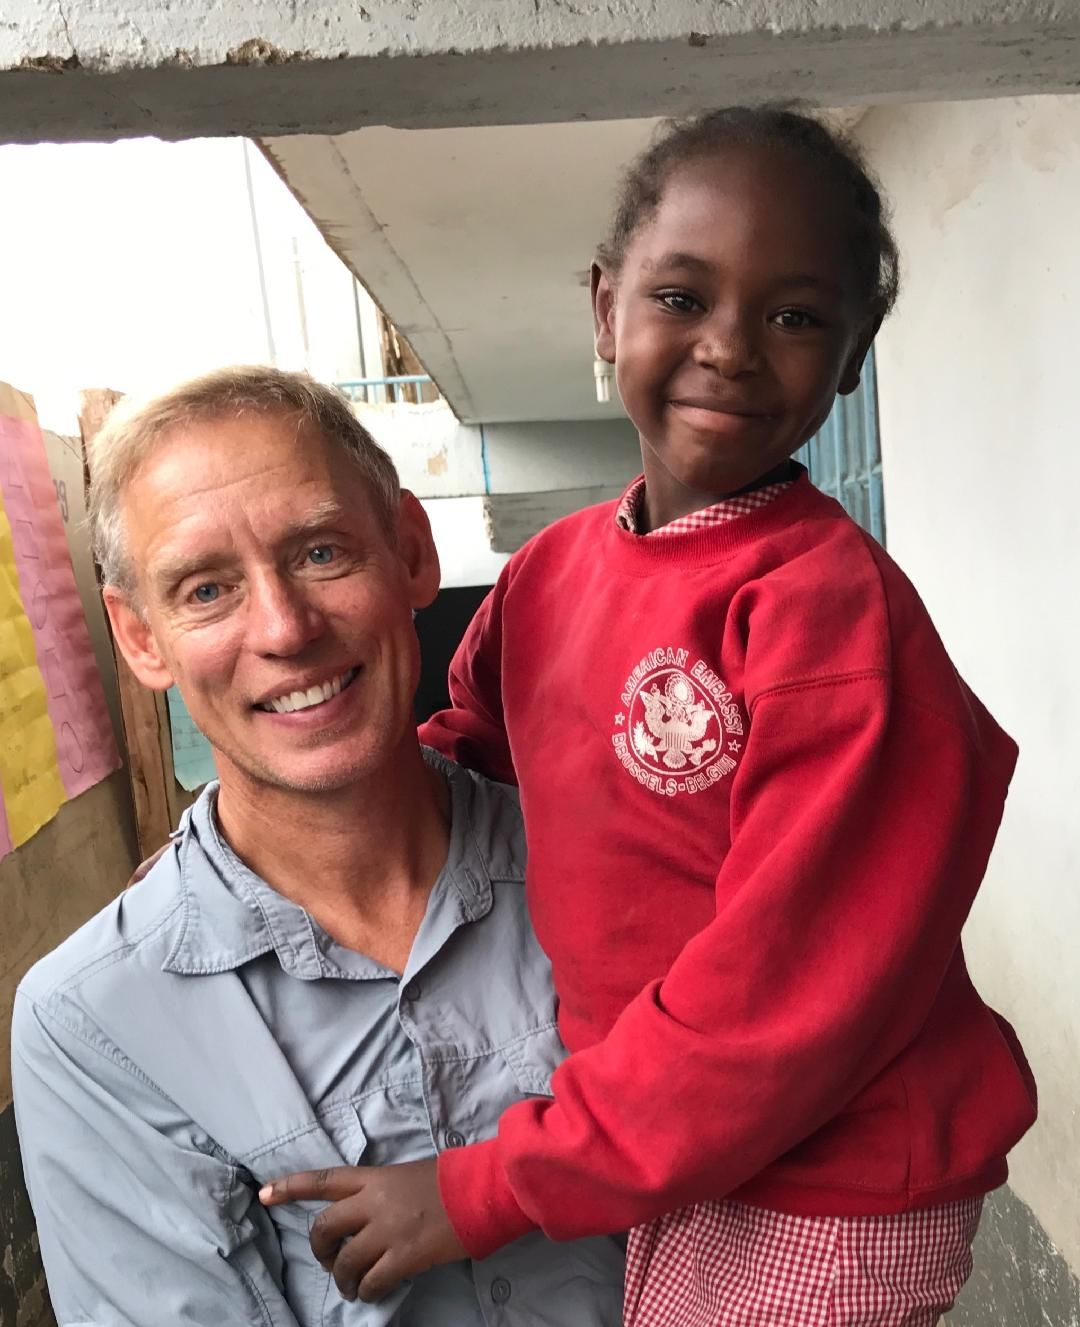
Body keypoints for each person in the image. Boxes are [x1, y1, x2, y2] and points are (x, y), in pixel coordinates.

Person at [261, 107, 1038, 1325]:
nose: (729, 347)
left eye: (794, 315)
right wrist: (270, 827)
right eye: (683, 296)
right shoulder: (549, 572)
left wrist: (480, 1188)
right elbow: (463, 763)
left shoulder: (831, 620)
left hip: (825, 1182)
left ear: (852, 354)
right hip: (668, 1140)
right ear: (604, 307)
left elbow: (776, 1006)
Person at [10, 367, 625, 1326]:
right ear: (140, 638)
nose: (286, 627)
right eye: (207, 588)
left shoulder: (618, 866)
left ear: (413, 553)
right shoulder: (97, 1024)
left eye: (323, 550)